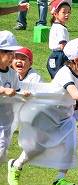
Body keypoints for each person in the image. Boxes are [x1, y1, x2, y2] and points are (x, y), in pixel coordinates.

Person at [7, 38, 78, 185]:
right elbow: (74, 94)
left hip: (66, 117)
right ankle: (16, 165)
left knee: (70, 147)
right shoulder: (64, 73)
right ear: (76, 59)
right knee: (37, 147)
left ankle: (59, 180)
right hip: (48, 115)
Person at [0, 30, 29, 163]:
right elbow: (6, 91)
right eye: (9, 53)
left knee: (1, 154)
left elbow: (16, 92)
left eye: (13, 53)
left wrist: (23, 95)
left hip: (6, 122)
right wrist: (4, 90)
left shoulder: (12, 74)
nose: (12, 57)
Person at [46, 0, 71, 79]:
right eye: (64, 12)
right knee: (62, 79)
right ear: (56, 14)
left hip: (54, 56)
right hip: (60, 57)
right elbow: (63, 46)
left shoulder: (55, 26)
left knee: (56, 79)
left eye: (69, 12)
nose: (67, 14)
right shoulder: (61, 28)